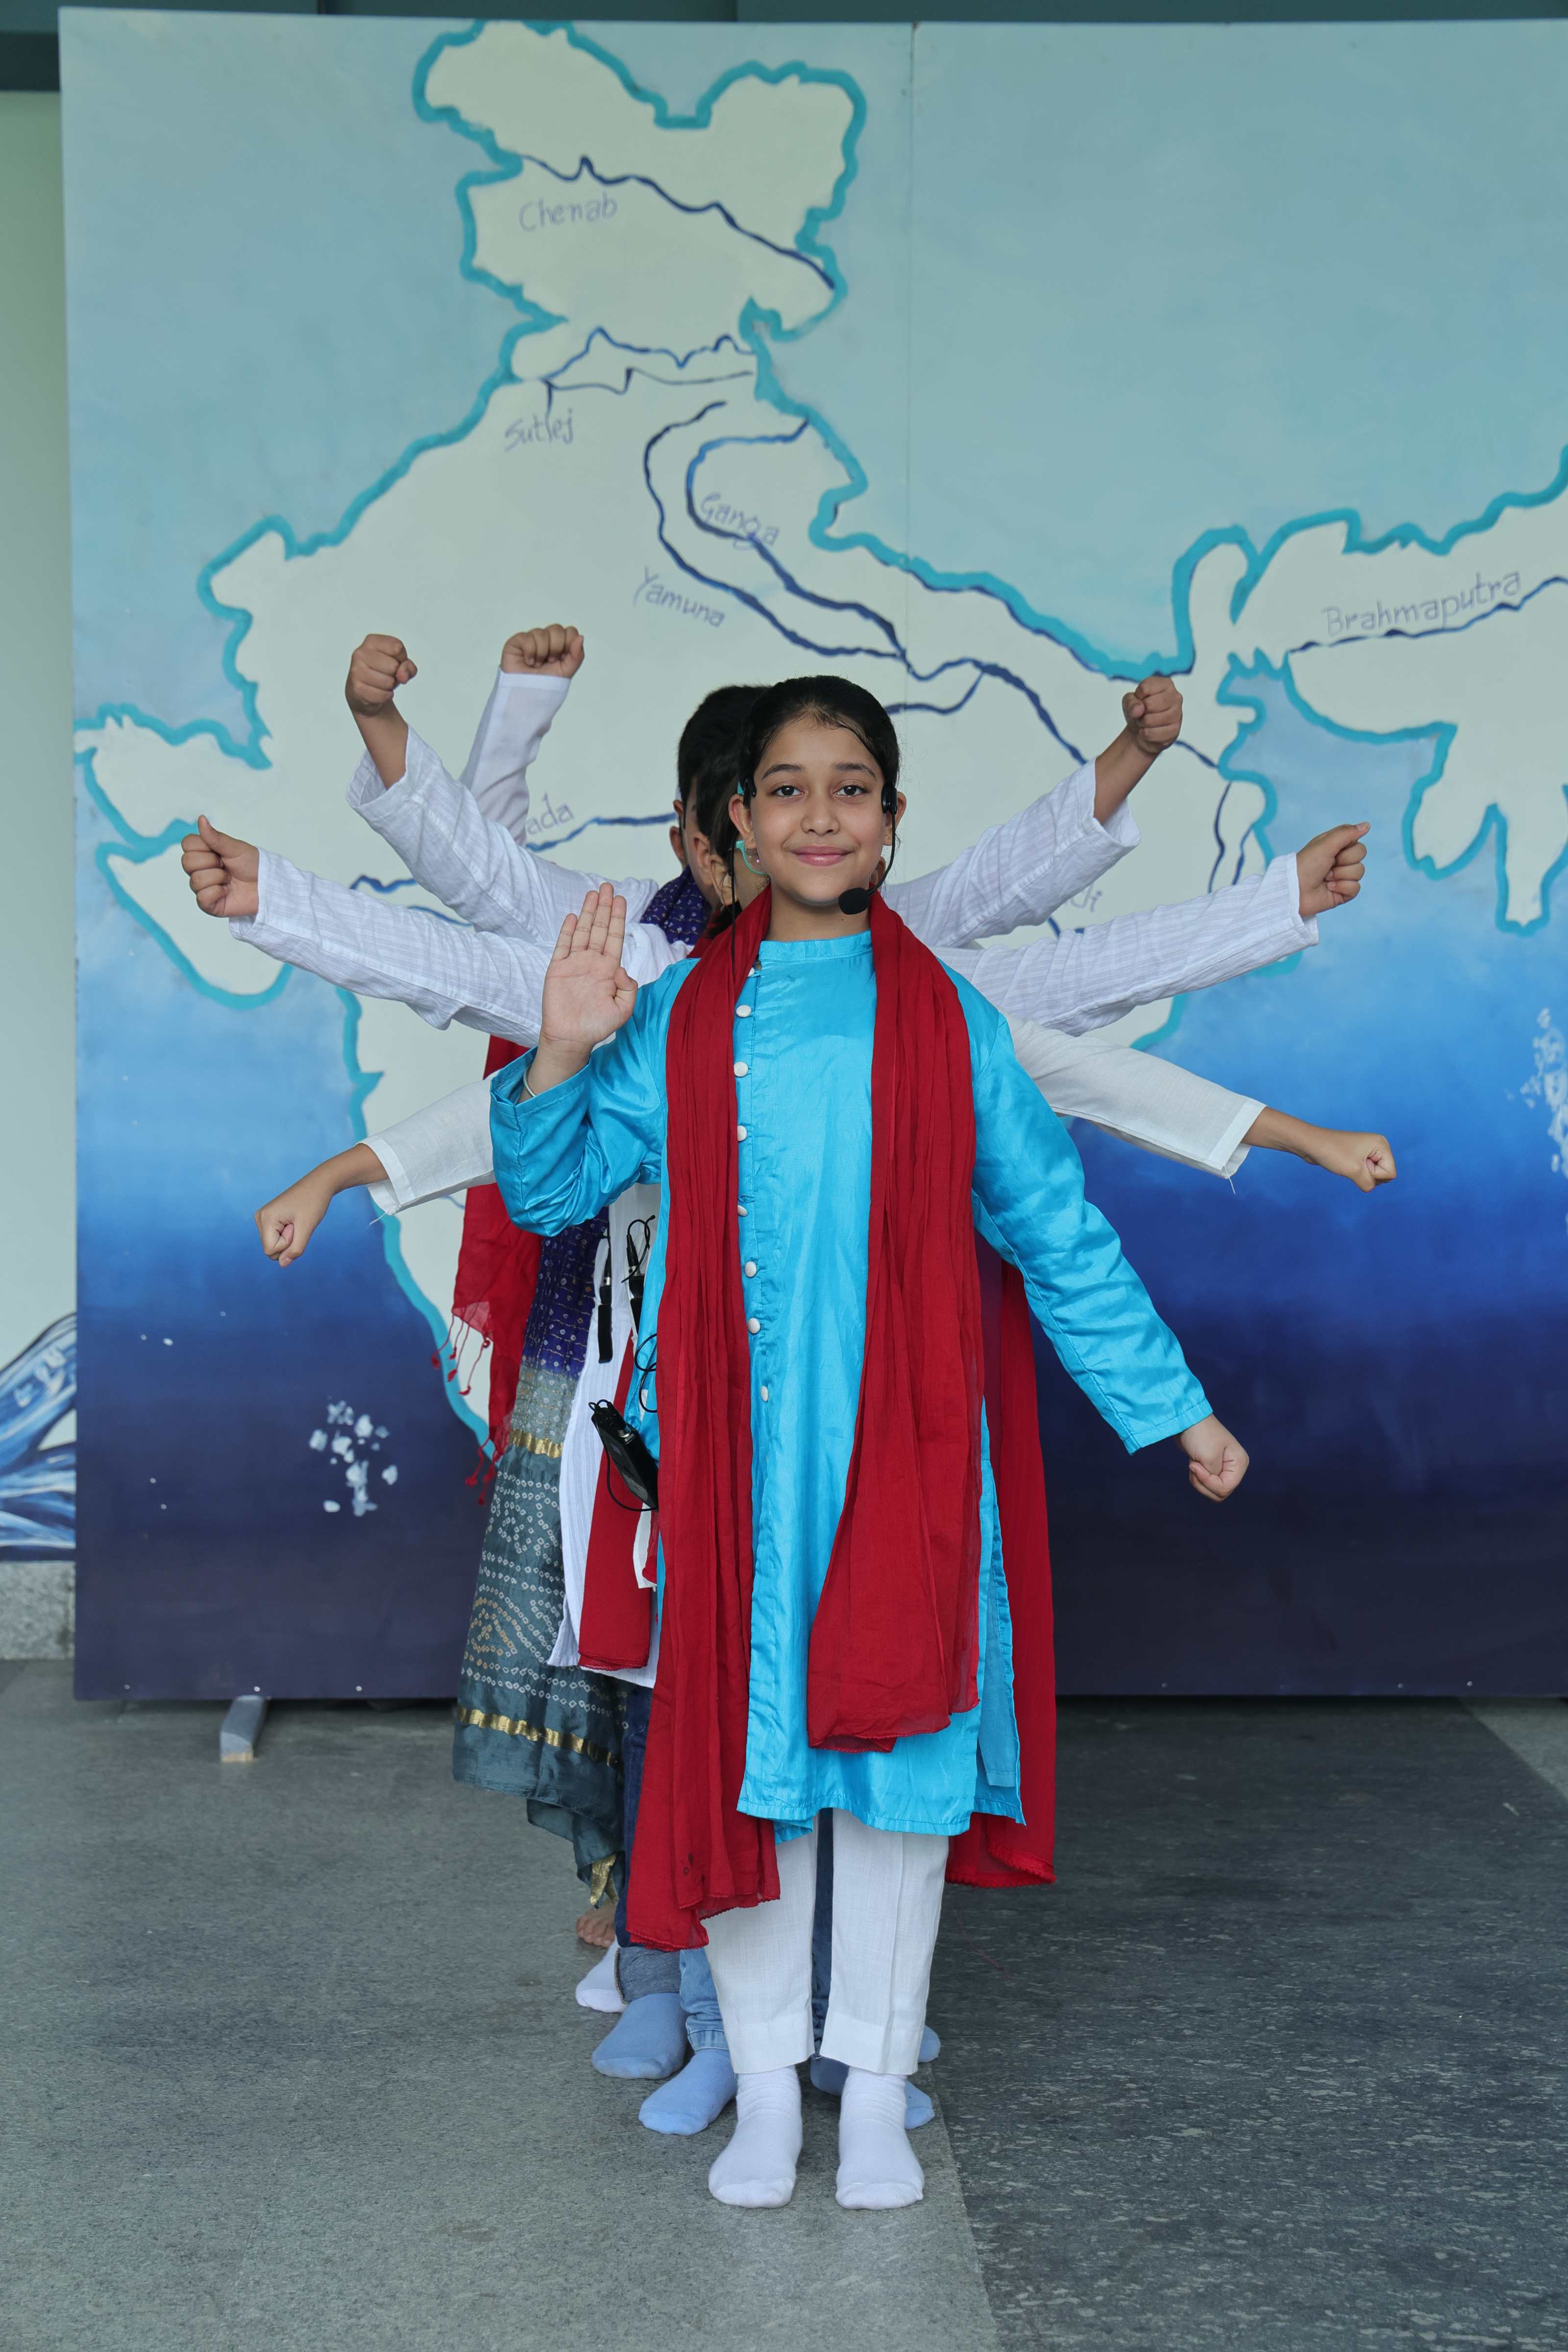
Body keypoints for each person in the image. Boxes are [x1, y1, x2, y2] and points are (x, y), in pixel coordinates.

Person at [485, 672, 1248, 2212]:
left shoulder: (951, 1022)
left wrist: (1174, 1405)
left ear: (892, 822)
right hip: (736, 1478)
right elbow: (550, 1194)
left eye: (851, 787)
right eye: (788, 788)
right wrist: (561, 1052)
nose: (820, 814)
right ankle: (769, 2095)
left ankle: (879, 2093)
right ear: (739, 823)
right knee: (756, 1780)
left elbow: (1054, 1229)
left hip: (909, 1469)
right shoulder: (684, 1015)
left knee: (898, 1779)